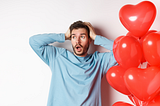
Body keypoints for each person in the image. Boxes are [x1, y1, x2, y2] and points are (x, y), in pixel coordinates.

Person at [29, 21, 118, 106]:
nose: (77, 41)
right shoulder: (58, 56)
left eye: (82, 37)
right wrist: (63, 36)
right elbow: (34, 41)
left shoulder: (99, 61)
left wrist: (96, 37)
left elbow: (121, 51)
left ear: (89, 40)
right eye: (74, 37)